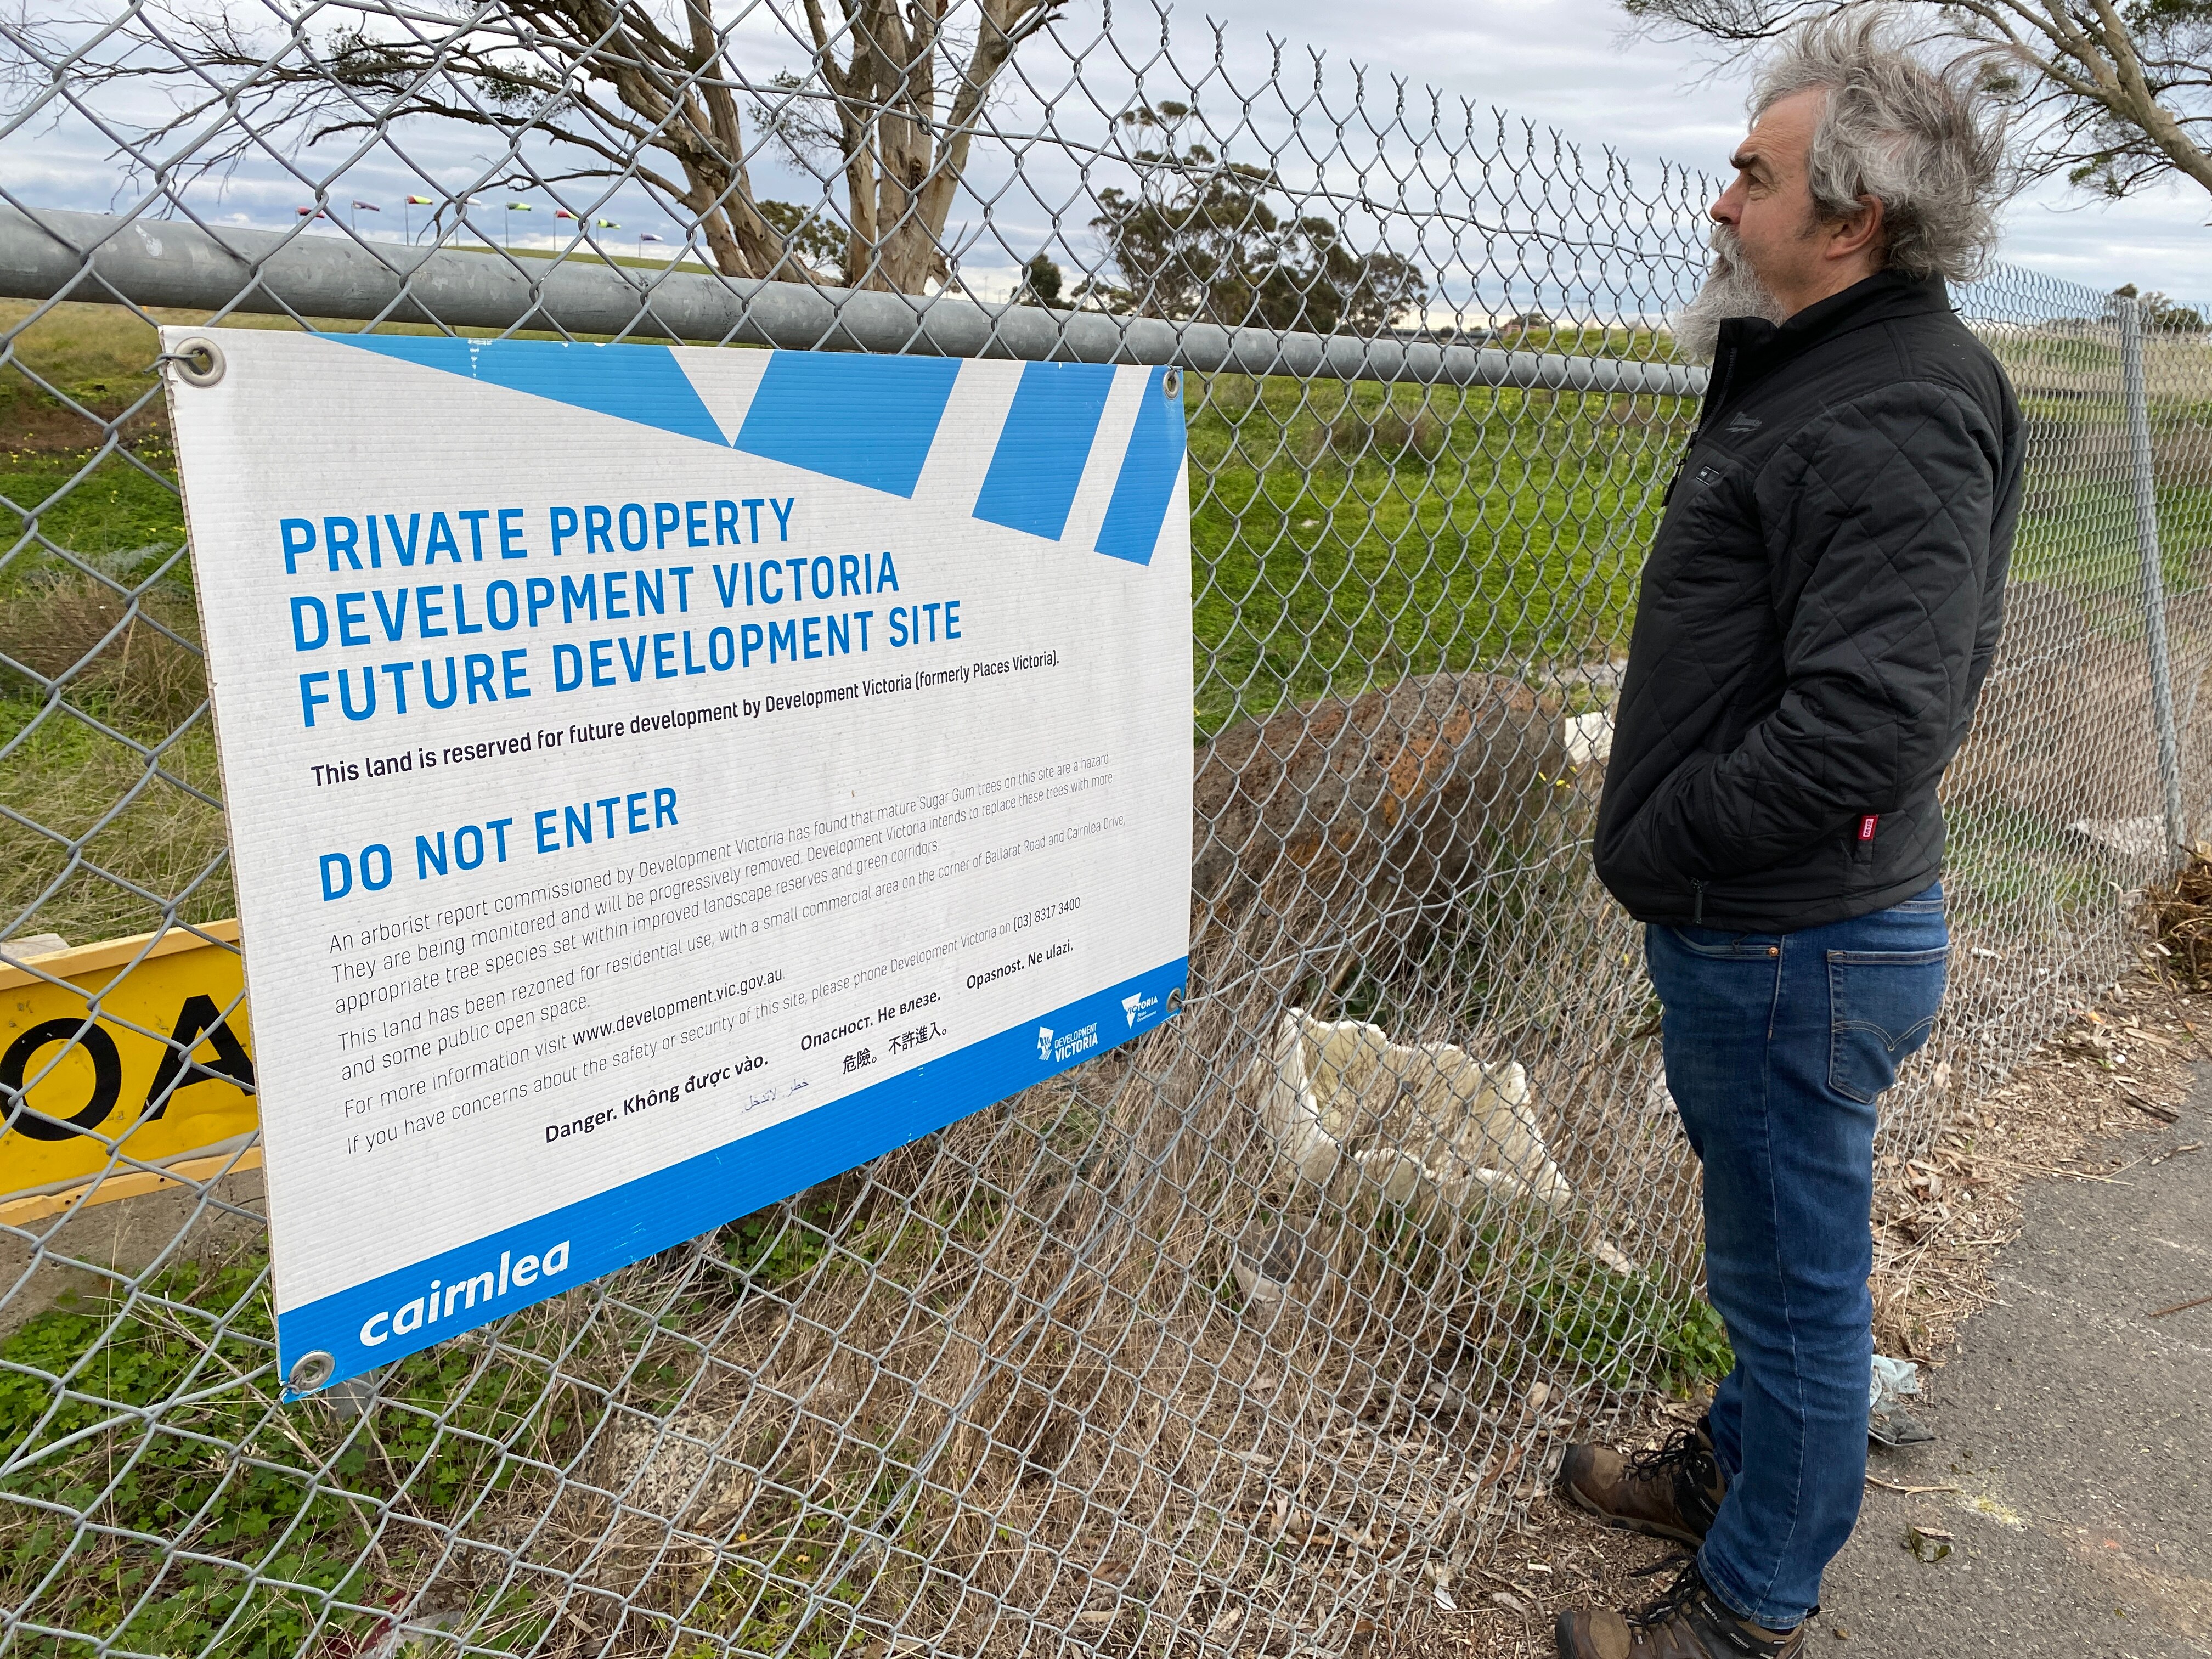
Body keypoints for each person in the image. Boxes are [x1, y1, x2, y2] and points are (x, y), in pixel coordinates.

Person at [1554, 14, 2023, 1658]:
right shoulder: (1834, 368)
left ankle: (1751, 1607)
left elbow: (1874, 718)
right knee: (1769, 1254)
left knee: (1799, 1295)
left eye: (1753, 175)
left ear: (1852, 217)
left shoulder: (1890, 401)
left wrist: (1665, 837)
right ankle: (1731, 1479)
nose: (1721, 204)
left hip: (1786, 933)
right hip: (1785, 927)